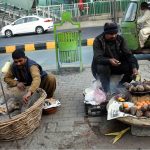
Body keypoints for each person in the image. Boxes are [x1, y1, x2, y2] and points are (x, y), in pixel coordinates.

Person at [91, 22, 139, 94]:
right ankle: (107, 91)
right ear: (105, 33)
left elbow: (129, 55)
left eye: (115, 33)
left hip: (116, 66)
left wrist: (134, 68)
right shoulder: (98, 41)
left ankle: (120, 86)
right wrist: (109, 60)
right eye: (111, 34)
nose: (113, 36)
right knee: (103, 67)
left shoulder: (120, 39)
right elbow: (97, 58)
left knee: (133, 63)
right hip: (101, 68)